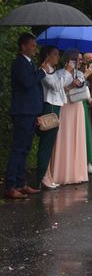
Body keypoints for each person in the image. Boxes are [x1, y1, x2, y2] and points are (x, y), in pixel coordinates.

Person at [4, 33, 46, 199]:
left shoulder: (30, 64)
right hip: (22, 111)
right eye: (32, 45)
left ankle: (21, 183)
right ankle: (10, 185)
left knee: (25, 149)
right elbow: (28, 83)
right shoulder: (19, 63)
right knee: (18, 149)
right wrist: (41, 71)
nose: (35, 49)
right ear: (23, 46)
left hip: (30, 111)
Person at [42, 49, 92, 186]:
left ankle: (77, 172)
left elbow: (83, 87)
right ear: (69, 60)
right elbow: (57, 88)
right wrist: (70, 85)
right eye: (77, 59)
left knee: (77, 138)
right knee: (64, 138)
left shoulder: (81, 73)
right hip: (65, 107)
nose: (79, 61)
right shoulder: (59, 72)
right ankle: (61, 172)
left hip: (77, 107)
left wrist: (81, 81)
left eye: (80, 59)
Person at [38, 46, 73, 189]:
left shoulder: (53, 71)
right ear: (47, 56)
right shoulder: (44, 70)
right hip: (49, 107)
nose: (58, 57)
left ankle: (47, 175)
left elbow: (63, 83)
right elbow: (56, 86)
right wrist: (67, 72)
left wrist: (66, 72)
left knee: (50, 142)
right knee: (46, 143)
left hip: (56, 106)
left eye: (58, 54)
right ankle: (42, 176)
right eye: (55, 54)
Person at [81, 53, 92, 174]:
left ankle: (87, 161)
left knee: (86, 132)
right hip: (76, 102)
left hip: (84, 103)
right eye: (88, 61)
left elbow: (85, 87)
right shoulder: (79, 72)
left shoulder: (89, 73)